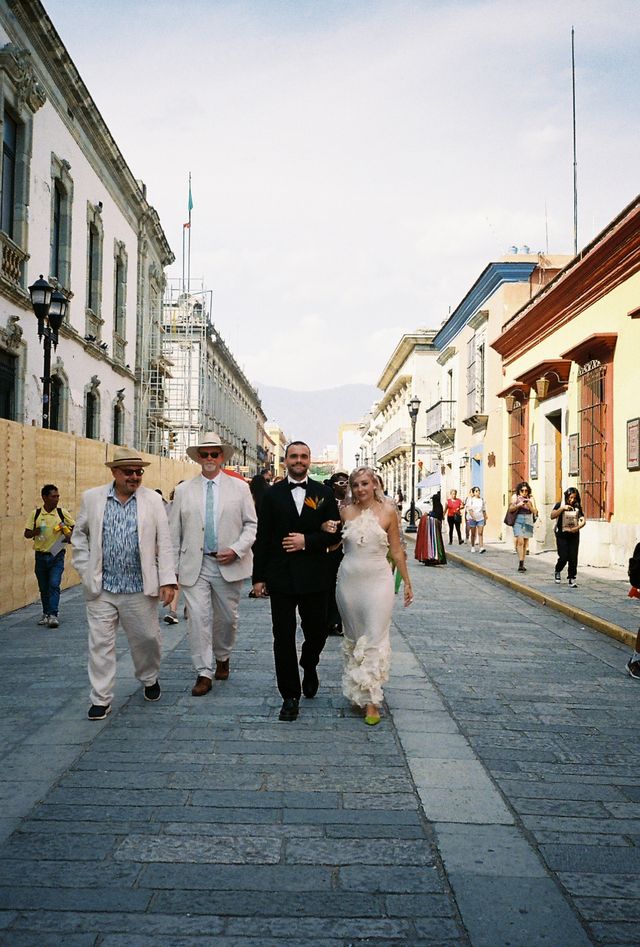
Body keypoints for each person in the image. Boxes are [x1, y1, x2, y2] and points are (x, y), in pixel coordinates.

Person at [72, 447, 177, 720]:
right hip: (102, 589)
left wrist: (168, 580)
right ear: (114, 472)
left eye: (138, 472)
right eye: (128, 472)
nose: (135, 476)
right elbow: (79, 535)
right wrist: (84, 568)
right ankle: (101, 699)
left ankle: (149, 677)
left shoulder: (153, 501)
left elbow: (165, 542)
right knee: (100, 645)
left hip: (139, 588)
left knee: (147, 639)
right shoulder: (92, 498)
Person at [251, 440, 340, 722]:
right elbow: (263, 537)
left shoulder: (323, 493)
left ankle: (309, 663)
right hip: (281, 576)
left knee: (317, 632)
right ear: (286, 460)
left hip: (315, 576)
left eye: (303, 456)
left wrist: (307, 541)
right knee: (283, 636)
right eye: (293, 456)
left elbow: (335, 535)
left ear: (309, 460)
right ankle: (289, 695)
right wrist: (258, 577)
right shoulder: (272, 495)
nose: (298, 460)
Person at [169, 432, 257, 696]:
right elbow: (174, 533)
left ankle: (223, 655)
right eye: (204, 454)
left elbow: (251, 525)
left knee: (227, 619)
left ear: (221, 457)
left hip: (228, 563)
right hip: (195, 564)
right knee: (198, 618)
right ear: (198, 457)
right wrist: (171, 572)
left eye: (214, 454)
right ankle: (204, 672)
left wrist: (236, 550)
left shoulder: (239, 488)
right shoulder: (183, 490)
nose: (209, 458)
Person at [334, 466, 413, 726]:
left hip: (379, 580)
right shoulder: (344, 512)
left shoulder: (389, 512)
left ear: (375, 484)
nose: (360, 489)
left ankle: (372, 700)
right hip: (349, 582)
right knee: (354, 636)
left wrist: (407, 581)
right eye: (356, 485)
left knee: (375, 636)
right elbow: (333, 544)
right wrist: (326, 528)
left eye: (365, 483)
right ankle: (358, 689)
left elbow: (397, 550)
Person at [24, 484, 75, 628]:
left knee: (54, 584)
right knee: (44, 587)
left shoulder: (61, 513)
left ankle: (53, 615)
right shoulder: (36, 514)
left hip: (57, 555)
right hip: (40, 555)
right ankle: (46, 613)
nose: (56, 499)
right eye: (53, 496)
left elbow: (74, 528)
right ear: (44, 497)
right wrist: (35, 532)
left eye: (58, 496)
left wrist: (67, 535)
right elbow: (27, 533)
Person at [325, 472, 351, 636]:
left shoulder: (353, 503)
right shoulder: (327, 501)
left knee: (344, 587)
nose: (345, 485)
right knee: (330, 586)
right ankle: (330, 620)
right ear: (334, 486)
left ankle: (340, 621)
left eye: (347, 482)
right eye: (342, 483)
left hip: (348, 550)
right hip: (330, 551)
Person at [550, 487, 585, 588]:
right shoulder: (560, 505)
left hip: (574, 534)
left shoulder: (577, 507)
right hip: (562, 534)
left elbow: (583, 520)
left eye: (574, 498)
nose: (572, 500)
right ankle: (558, 570)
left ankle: (572, 577)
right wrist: (562, 509)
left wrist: (577, 528)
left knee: (573, 557)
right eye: (570, 498)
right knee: (563, 556)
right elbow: (552, 515)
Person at [508, 481, 538, 572]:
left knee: (525, 542)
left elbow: (535, 512)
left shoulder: (531, 498)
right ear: (519, 491)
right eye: (522, 490)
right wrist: (519, 505)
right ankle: (520, 563)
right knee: (520, 540)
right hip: (518, 520)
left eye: (526, 490)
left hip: (528, 520)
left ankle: (522, 561)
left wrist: (529, 506)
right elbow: (510, 509)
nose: (524, 492)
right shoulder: (515, 497)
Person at [414, 491, 447, 566]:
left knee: (434, 542)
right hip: (434, 528)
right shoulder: (439, 506)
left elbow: (435, 515)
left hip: (434, 528)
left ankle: (433, 558)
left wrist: (428, 514)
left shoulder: (438, 507)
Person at [464, 486, 487, 553]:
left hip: (481, 518)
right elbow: (470, 510)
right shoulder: (471, 500)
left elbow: (484, 510)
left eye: (479, 490)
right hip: (473, 519)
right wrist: (473, 517)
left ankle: (481, 547)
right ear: (474, 492)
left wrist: (485, 519)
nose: (478, 492)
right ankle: (473, 546)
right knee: (473, 534)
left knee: (480, 533)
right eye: (476, 491)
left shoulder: (482, 500)